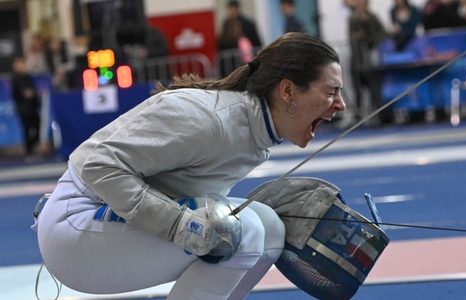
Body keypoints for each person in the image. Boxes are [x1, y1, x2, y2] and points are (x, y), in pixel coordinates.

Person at [34, 32, 346, 299]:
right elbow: (97, 165)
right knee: (243, 230)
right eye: (331, 91)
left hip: (103, 219)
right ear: (288, 91)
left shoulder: (254, 135)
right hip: (74, 226)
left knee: (269, 226)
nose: (340, 104)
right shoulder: (210, 120)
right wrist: (181, 226)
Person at [348, 0, 388, 121]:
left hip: (371, 60)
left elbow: (383, 34)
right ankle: (358, 116)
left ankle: (378, 115)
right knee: (358, 90)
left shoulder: (372, 18)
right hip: (357, 59)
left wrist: (370, 36)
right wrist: (360, 34)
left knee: (374, 89)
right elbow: (352, 37)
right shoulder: (353, 19)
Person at [11, 56, 41, 157]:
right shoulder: (16, 78)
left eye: (23, 63)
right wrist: (33, 93)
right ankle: (28, 151)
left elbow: (33, 92)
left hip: (33, 107)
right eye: (20, 64)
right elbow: (26, 93)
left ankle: (31, 147)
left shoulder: (28, 77)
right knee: (27, 129)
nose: (22, 66)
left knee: (37, 127)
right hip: (23, 109)